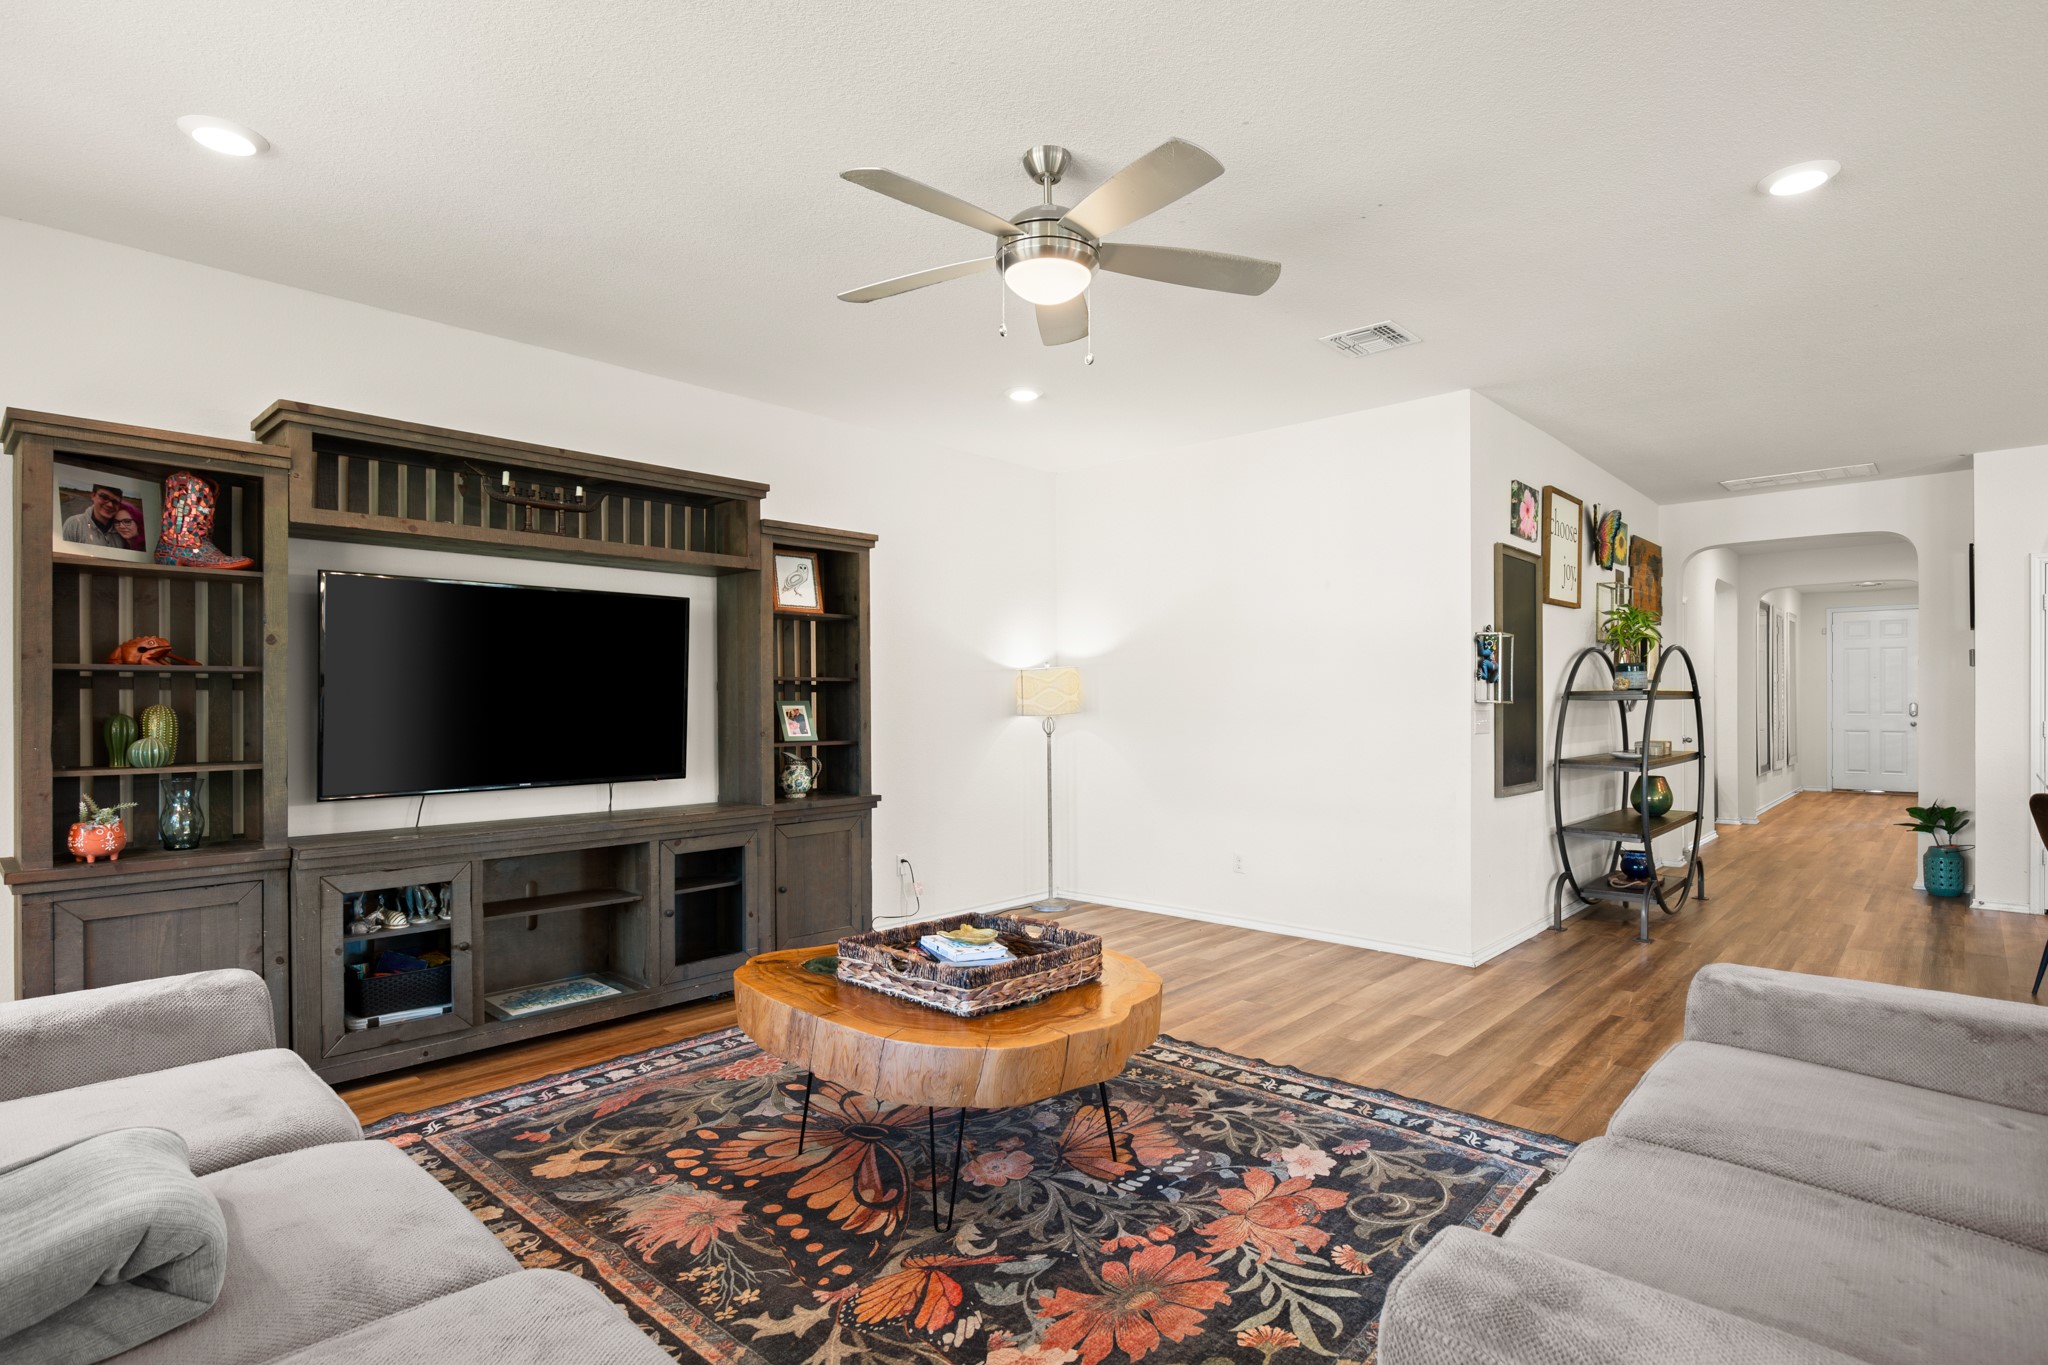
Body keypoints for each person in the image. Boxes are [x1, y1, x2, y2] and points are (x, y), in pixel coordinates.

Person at [62, 484, 131, 548]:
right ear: (93, 496)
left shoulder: (123, 530)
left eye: (115, 502)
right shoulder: (73, 525)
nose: (110, 505)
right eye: (104, 497)